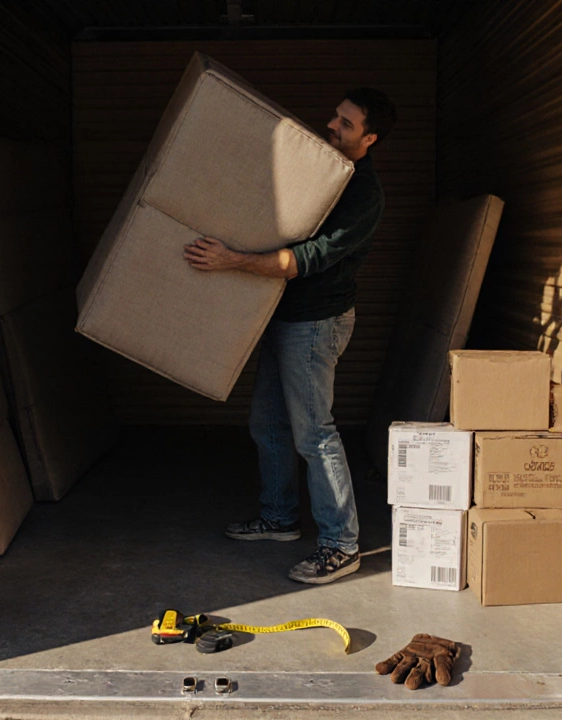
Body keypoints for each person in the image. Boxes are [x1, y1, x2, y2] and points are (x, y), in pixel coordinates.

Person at [183, 87, 395, 584]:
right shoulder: (324, 171)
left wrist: (231, 260)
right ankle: (279, 518)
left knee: (315, 436)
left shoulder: (363, 194)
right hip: (283, 316)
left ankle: (342, 546)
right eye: (335, 116)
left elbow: (305, 260)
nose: (332, 125)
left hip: (315, 324)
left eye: (345, 124)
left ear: (370, 138)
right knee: (267, 424)